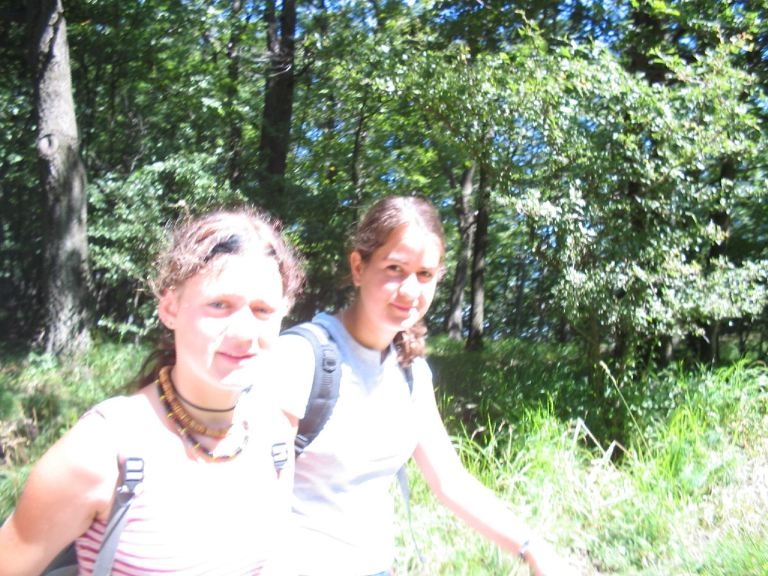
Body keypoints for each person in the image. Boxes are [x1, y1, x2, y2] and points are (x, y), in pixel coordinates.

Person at [277, 196, 576, 576]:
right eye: (394, 268)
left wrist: (533, 550)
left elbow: (449, 481)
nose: (410, 290)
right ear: (358, 266)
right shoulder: (301, 359)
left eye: (424, 274)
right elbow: (255, 495)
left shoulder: (409, 371)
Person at [0, 206, 304, 575]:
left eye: (262, 310)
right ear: (170, 308)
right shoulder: (102, 452)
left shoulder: (274, 437)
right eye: (219, 305)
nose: (244, 332)